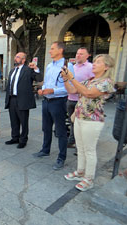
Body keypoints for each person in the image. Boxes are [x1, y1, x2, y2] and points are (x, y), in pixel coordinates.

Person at [62, 54, 115, 191]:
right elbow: (73, 90)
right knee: (80, 147)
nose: (94, 64)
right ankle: (80, 172)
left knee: (89, 150)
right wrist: (65, 79)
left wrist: (72, 78)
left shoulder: (106, 82)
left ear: (106, 67)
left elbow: (88, 93)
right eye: (95, 61)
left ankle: (89, 178)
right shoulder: (90, 80)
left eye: (98, 62)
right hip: (79, 117)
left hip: (92, 120)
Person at [33, 42, 75, 170]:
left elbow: (70, 87)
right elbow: (46, 82)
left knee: (60, 131)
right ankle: (45, 150)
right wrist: (43, 89)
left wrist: (53, 91)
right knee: (46, 128)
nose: (50, 51)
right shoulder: (50, 65)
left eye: (52, 49)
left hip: (58, 102)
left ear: (60, 50)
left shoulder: (67, 66)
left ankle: (61, 158)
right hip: (46, 101)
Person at [5, 52, 42, 149]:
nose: (15, 58)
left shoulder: (28, 70)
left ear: (23, 60)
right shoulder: (12, 70)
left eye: (18, 57)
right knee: (14, 120)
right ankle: (15, 137)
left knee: (24, 121)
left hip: (23, 99)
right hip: (12, 99)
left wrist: (36, 69)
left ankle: (23, 140)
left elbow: (39, 78)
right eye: (15, 56)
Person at [67, 47, 94, 149]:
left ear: (87, 56)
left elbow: (92, 83)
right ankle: (72, 140)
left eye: (81, 54)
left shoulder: (90, 67)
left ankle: (80, 143)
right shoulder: (72, 67)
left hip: (83, 101)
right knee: (72, 120)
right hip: (71, 98)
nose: (78, 55)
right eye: (77, 53)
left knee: (82, 123)